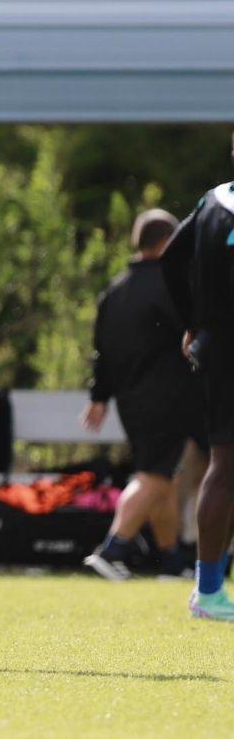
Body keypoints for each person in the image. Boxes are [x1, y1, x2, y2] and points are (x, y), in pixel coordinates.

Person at [81, 208, 201, 580]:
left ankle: (172, 560)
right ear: (168, 240)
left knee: (160, 478)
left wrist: (100, 397)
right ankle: (113, 547)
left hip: (130, 403)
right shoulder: (172, 284)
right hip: (169, 398)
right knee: (153, 476)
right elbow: (196, 335)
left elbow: (101, 350)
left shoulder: (114, 291)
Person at [160, 141, 234, 621]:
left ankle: (211, 587)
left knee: (227, 465)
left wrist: (193, 322)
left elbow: (169, 260)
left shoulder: (213, 200)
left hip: (217, 347)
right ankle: (208, 592)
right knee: (226, 466)